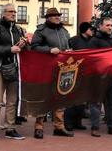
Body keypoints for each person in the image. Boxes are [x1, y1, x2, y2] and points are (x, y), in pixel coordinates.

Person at [0, 4, 26, 141]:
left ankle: (10, 128)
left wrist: (23, 44)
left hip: (14, 68)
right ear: (3, 14)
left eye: (15, 11)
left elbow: (21, 50)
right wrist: (10, 49)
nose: (14, 14)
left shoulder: (18, 30)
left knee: (12, 101)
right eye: (10, 11)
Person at [30, 8, 73, 139]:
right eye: (54, 16)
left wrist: (70, 50)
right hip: (46, 69)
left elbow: (68, 45)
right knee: (43, 98)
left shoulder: (64, 31)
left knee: (61, 98)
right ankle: (38, 127)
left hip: (63, 69)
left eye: (58, 15)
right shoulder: (41, 31)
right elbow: (34, 47)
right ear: (48, 17)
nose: (57, 17)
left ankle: (59, 127)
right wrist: (49, 50)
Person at [89, 17, 112, 137]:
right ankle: (94, 127)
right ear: (100, 26)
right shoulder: (94, 41)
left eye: (111, 25)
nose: (110, 27)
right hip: (99, 78)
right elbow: (90, 58)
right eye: (107, 25)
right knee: (96, 103)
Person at [65, 22, 94, 132]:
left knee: (82, 99)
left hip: (86, 73)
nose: (92, 31)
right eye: (91, 29)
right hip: (75, 72)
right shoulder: (74, 40)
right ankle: (68, 123)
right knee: (71, 99)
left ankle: (78, 122)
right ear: (85, 30)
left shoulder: (92, 41)